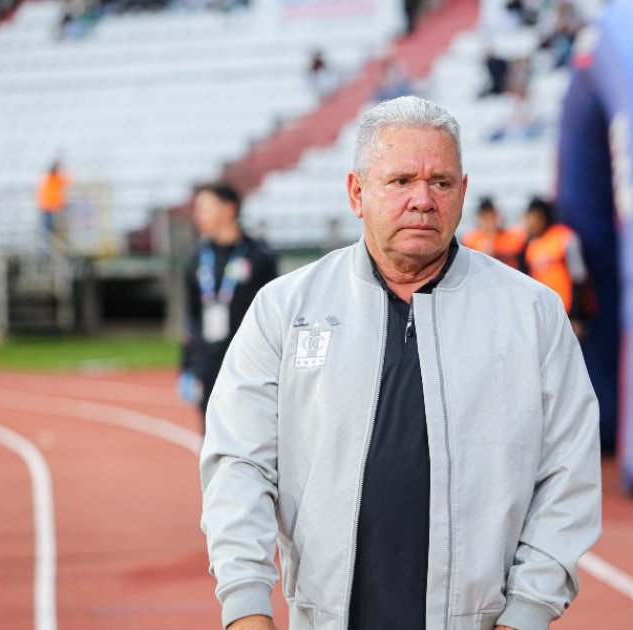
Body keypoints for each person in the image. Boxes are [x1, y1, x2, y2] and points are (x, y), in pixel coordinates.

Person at [200, 96, 601, 630]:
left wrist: (527, 611)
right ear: (356, 192)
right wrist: (246, 604)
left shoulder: (533, 313)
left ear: (462, 191)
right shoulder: (285, 308)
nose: (423, 200)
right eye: (400, 180)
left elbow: (569, 472)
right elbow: (239, 463)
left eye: (440, 182)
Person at [179, 182, 277, 431]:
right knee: (213, 433)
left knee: (255, 431)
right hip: (209, 361)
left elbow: (275, 311)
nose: (198, 215)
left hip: (251, 359)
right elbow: (191, 315)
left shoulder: (260, 255)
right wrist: (188, 366)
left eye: (205, 207)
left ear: (229, 209)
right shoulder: (196, 259)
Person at [521, 196, 590, 337]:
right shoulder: (531, 245)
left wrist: (577, 316)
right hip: (545, 317)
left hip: (568, 313)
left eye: (532, 218)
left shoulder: (564, 238)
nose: (528, 224)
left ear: (541, 218)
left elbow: (578, 277)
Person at [461, 196, 525, 269]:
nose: (489, 219)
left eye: (491, 214)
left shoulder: (512, 237)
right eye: (484, 215)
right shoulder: (470, 239)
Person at [37, 160, 70, 245]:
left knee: (52, 229)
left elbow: (69, 181)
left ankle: (51, 246)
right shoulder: (50, 179)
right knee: (48, 230)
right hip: (48, 208)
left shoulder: (53, 179)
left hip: (52, 208)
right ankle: (47, 248)